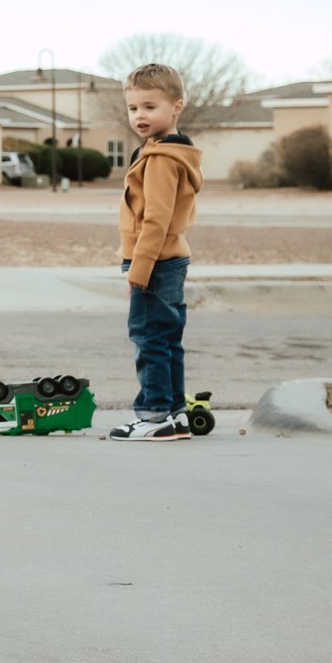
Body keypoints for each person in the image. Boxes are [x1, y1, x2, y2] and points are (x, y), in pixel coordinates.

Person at [109, 63, 204, 442]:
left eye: (150, 107)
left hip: (155, 261)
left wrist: (139, 269)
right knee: (167, 339)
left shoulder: (161, 159)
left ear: (176, 106)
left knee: (149, 337)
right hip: (171, 258)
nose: (139, 116)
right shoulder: (168, 152)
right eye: (133, 108)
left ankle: (153, 414)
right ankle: (175, 413)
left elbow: (157, 218)